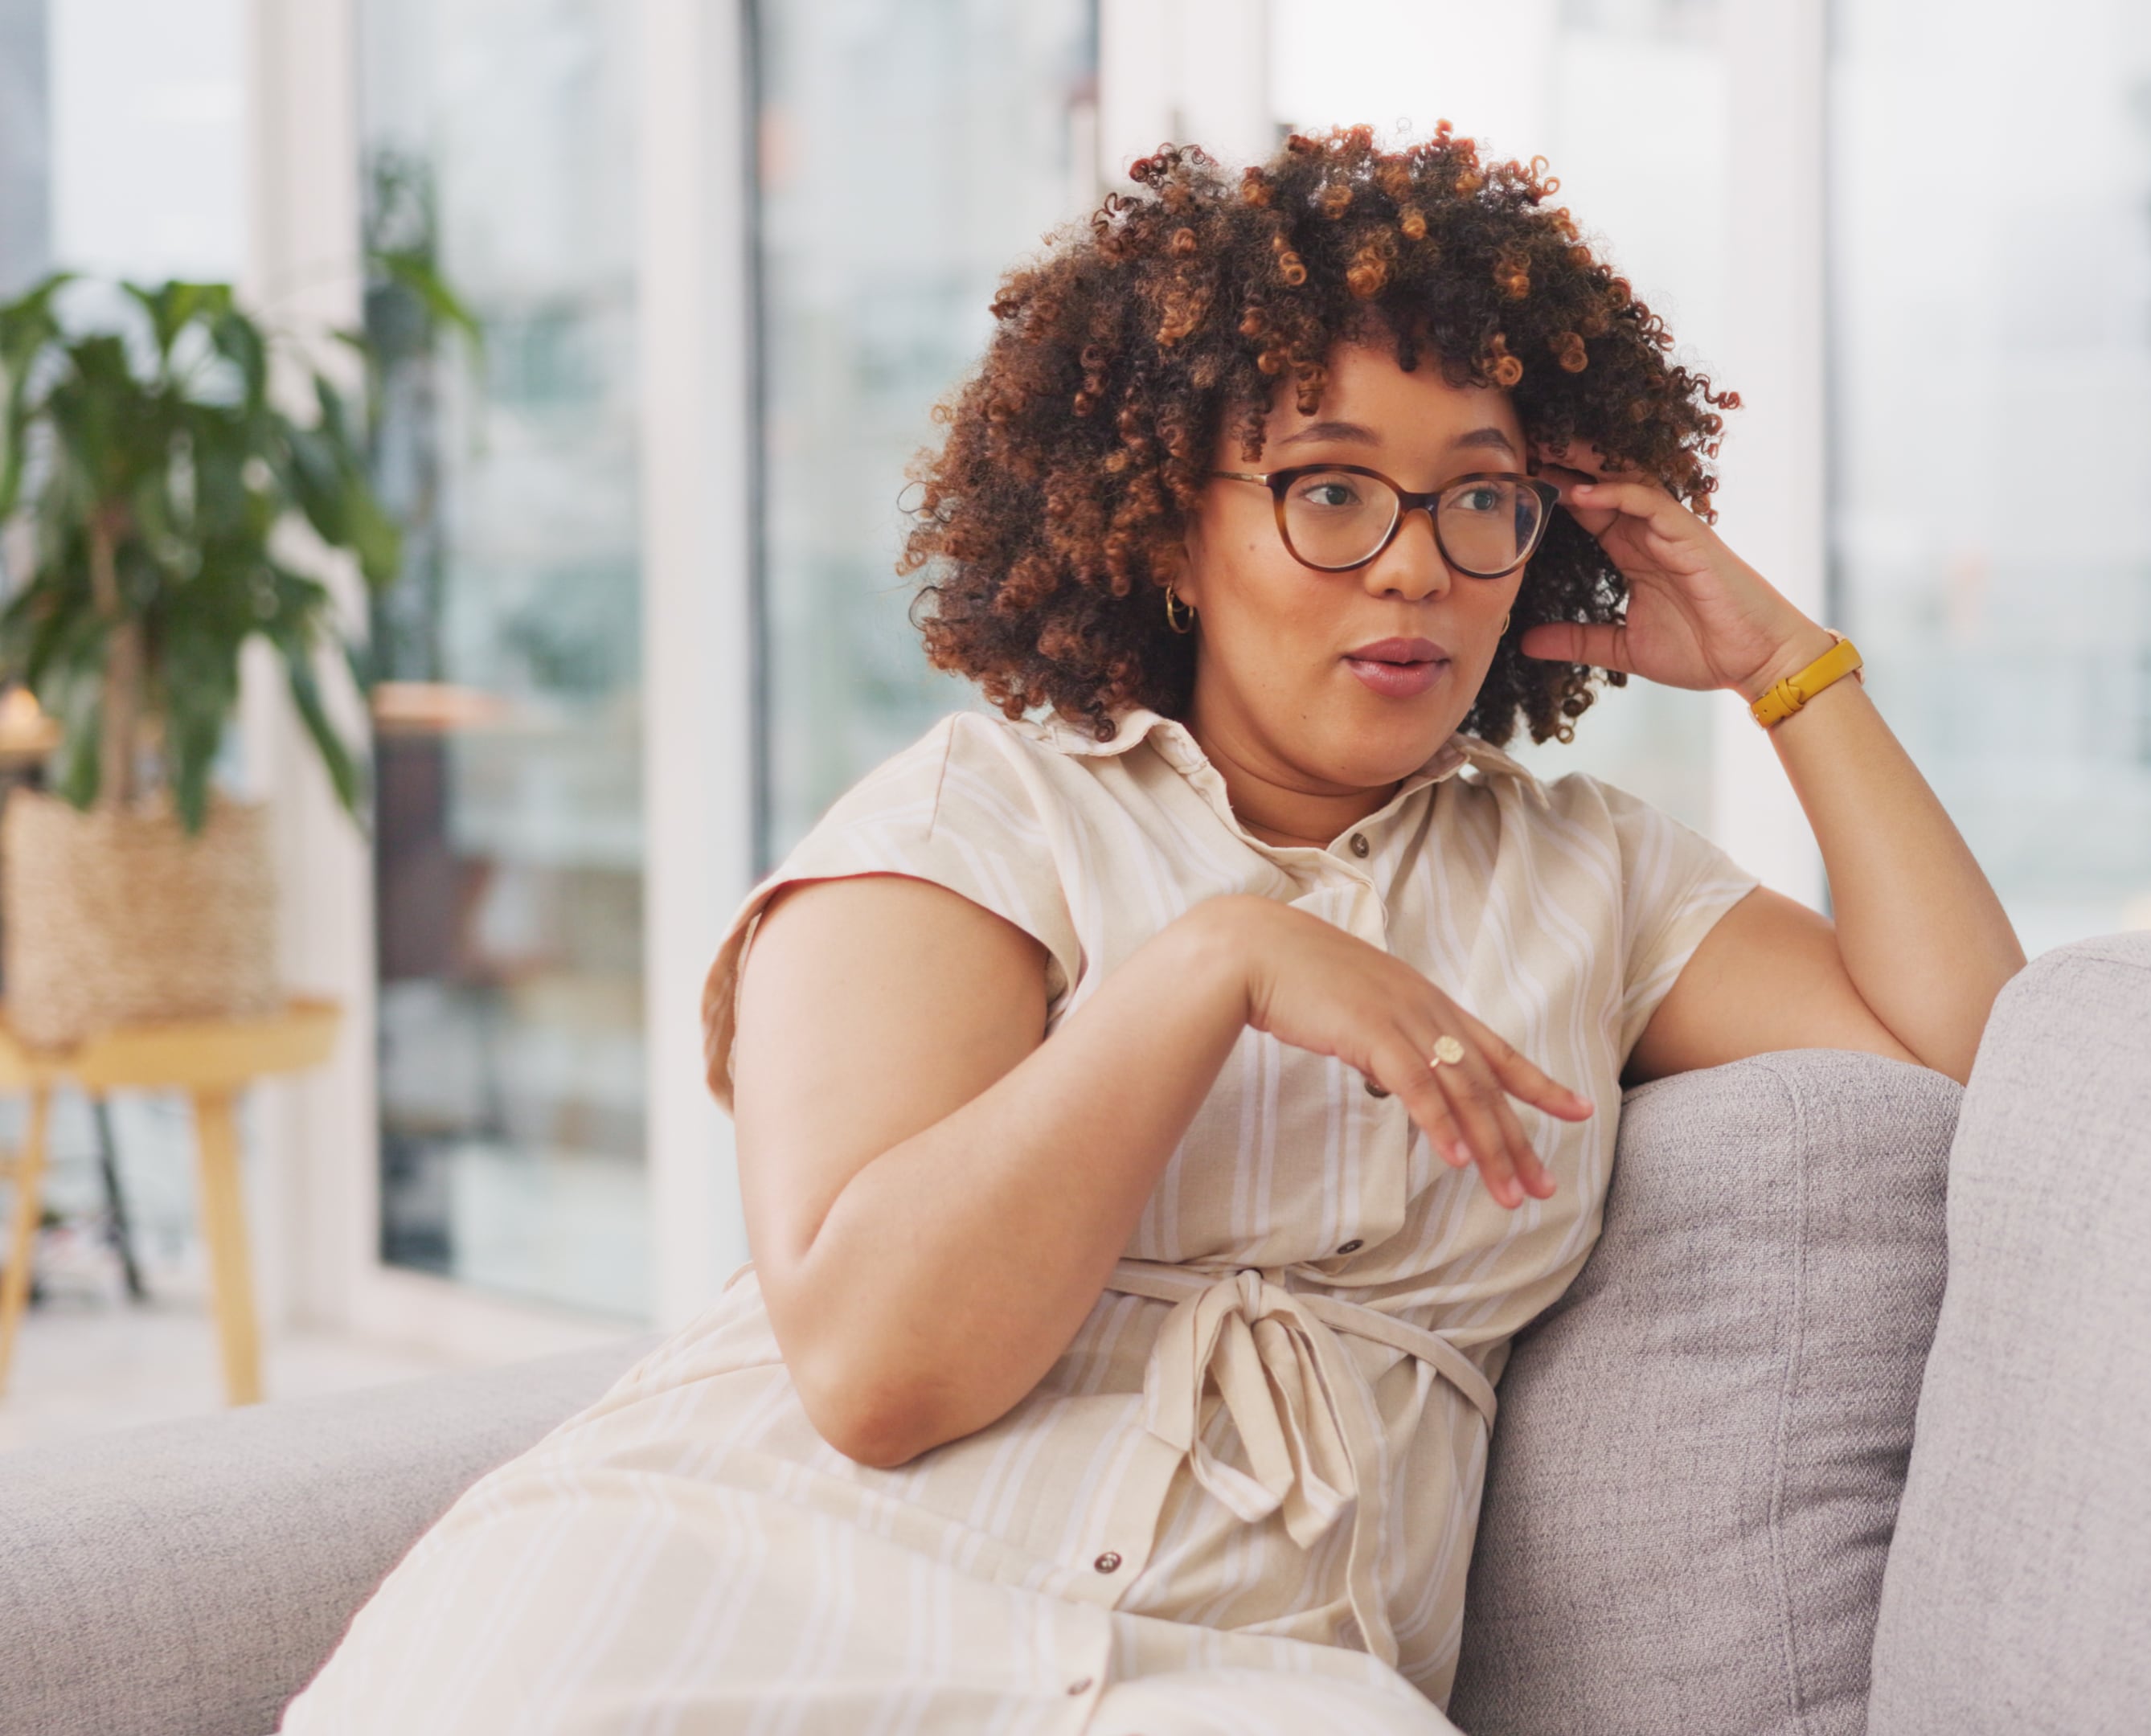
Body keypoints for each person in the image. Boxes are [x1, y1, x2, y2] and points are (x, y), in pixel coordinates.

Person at [288, 126, 2022, 1734]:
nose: (1415, 566)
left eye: (1479, 498)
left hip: (1255, 1682)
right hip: (753, 1594)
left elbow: (1980, 1075)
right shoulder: (976, 821)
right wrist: (1215, 965)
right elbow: (875, 1369)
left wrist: (1789, 671)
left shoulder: (1595, 879)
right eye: (1329, 488)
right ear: (1170, 530)